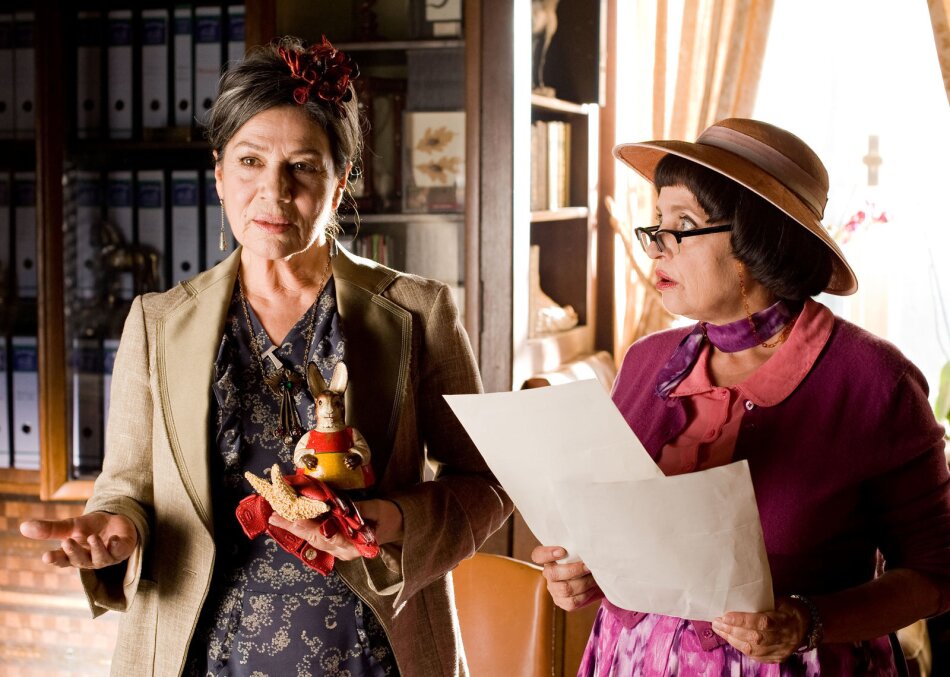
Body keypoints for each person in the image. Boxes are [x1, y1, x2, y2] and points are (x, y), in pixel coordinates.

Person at [20, 36, 511, 677]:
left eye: (302, 166)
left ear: (341, 181)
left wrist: (391, 520)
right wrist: (116, 526)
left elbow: (485, 483)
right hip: (201, 656)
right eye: (250, 161)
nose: (273, 192)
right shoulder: (157, 323)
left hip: (372, 655)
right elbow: (127, 488)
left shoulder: (419, 311)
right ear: (220, 174)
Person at [532, 118, 950, 675]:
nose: (656, 247)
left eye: (683, 225)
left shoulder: (874, 379)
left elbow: (935, 575)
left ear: (757, 239)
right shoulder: (645, 363)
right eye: (657, 222)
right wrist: (584, 573)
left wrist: (807, 621)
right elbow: (620, 538)